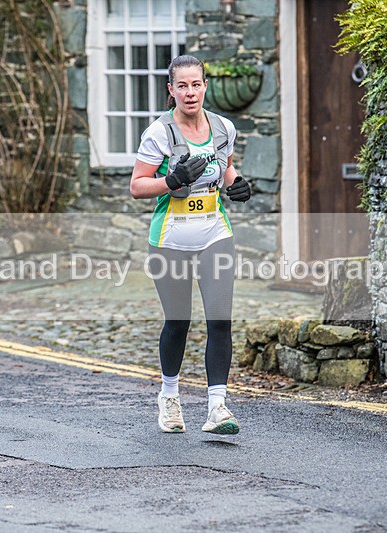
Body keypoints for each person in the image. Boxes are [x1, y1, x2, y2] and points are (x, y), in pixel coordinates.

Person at [130, 55, 252, 435]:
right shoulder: (159, 134)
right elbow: (137, 186)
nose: (190, 92)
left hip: (215, 233)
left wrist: (237, 185)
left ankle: (217, 407)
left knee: (220, 321)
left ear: (205, 85)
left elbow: (225, 167)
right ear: (171, 90)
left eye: (195, 84)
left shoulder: (222, 127)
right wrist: (170, 181)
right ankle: (169, 397)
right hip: (170, 241)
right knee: (178, 322)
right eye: (181, 86)